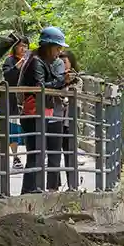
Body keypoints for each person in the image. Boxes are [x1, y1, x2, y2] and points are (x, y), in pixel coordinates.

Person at [18, 27, 78, 194]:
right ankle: (31, 190)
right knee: (35, 154)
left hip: (42, 112)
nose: (59, 52)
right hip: (33, 113)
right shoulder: (36, 61)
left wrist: (64, 81)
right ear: (48, 46)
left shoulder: (45, 62)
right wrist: (61, 80)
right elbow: (40, 87)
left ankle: (33, 189)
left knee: (38, 153)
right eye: (57, 48)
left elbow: (50, 84)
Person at [1, 39, 30, 160]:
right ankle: (15, 157)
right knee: (14, 130)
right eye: (20, 46)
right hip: (13, 101)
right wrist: (17, 67)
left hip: (28, 100)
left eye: (25, 46)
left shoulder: (31, 61)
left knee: (29, 129)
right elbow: (7, 76)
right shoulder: (10, 60)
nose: (23, 49)